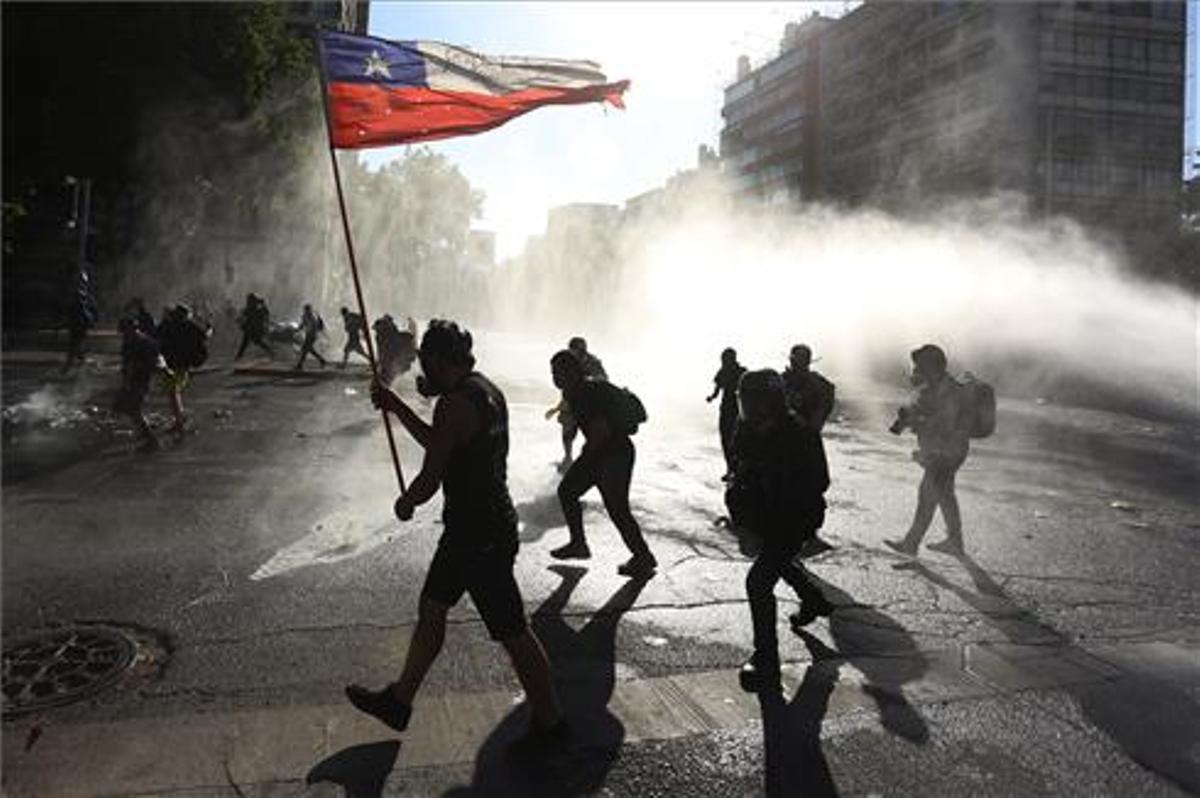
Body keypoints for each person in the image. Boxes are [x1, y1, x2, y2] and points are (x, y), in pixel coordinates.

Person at [346, 320, 566, 752]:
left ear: (441, 359)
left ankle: (553, 723)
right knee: (432, 608)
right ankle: (400, 700)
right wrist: (395, 405)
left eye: (427, 360)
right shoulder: (486, 390)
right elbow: (442, 442)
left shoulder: (452, 404)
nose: (423, 368)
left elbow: (432, 473)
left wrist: (406, 502)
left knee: (513, 631)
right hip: (476, 527)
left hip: (478, 534)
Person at [728, 369, 834, 694]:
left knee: (758, 581)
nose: (749, 408)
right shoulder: (746, 431)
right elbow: (740, 471)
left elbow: (819, 482)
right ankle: (813, 600)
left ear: (770, 401)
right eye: (745, 401)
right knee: (777, 561)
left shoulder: (799, 433)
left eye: (754, 401)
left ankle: (767, 661)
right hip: (766, 518)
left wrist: (782, 481)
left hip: (794, 518)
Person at [548, 350, 657, 577]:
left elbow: (600, 432)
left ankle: (643, 557)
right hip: (609, 453)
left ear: (571, 372)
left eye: (558, 372)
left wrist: (586, 456)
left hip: (613, 454)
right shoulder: (581, 390)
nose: (554, 377)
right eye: (553, 372)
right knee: (569, 492)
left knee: (616, 508)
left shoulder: (585, 393)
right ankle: (579, 544)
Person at [884, 344, 970, 557]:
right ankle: (955, 541)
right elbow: (923, 416)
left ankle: (911, 544)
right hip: (942, 450)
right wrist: (907, 419)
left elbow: (945, 424)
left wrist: (917, 421)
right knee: (945, 495)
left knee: (927, 495)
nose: (916, 371)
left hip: (947, 452)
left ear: (933, 366)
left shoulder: (949, 390)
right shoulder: (932, 388)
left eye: (920, 366)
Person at [545, 336, 609, 471]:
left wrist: (587, 380)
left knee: (592, 432)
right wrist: (557, 408)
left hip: (590, 404)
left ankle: (592, 461)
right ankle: (568, 457)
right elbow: (564, 388)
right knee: (567, 427)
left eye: (578, 350)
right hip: (572, 402)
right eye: (572, 350)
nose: (575, 354)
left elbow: (603, 379)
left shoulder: (593, 362)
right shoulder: (567, 362)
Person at [156, 304, 210, 434]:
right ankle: (180, 417)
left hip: (170, 364)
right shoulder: (190, 327)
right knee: (174, 392)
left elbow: (156, 334)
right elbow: (204, 336)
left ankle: (179, 421)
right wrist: (209, 327)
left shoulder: (168, 325)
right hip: (182, 364)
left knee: (173, 392)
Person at [114, 316, 163, 451]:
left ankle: (151, 440)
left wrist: (136, 369)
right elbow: (126, 362)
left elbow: (154, 361)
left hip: (140, 379)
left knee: (134, 409)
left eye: (126, 331)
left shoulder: (144, 342)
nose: (124, 334)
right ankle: (145, 434)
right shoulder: (131, 341)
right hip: (133, 379)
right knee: (125, 407)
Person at [706, 347, 746, 481]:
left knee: (736, 440)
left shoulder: (741, 373)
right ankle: (731, 468)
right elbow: (717, 390)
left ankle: (736, 469)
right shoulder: (725, 372)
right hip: (728, 409)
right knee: (726, 439)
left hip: (739, 411)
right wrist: (712, 397)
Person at [782, 344, 836, 432]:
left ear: (807, 362)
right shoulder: (781, 381)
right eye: (794, 361)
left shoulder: (821, 385)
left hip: (807, 438)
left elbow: (816, 423)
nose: (795, 364)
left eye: (800, 361)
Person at [62, 270, 98, 372]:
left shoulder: (83, 296)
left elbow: (91, 309)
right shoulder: (81, 295)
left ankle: (70, 366)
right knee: (75, 344)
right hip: (78, 323)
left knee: (75, 344)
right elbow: (71, 309)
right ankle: (76, 364)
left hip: (80, 324)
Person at [235, 293, 273, 360]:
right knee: (249, 342)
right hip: (250, 329)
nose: (247, 302)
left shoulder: (257, 309)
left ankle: (270, 351)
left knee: (254, 342)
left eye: (249, 300)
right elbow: (242, 316)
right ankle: (239, 356)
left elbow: (265, 315)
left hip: (254, 329)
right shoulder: (252, 308)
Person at [294, 303, 327, 371]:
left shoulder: (312, 317)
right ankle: (322, 360)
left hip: (312, 336)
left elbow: (314, 326)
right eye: (305, 310)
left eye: (307, 309)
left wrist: (301, 329)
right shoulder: (305, 316)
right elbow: (302, 324)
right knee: (309, 350)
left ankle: (300, 365)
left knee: (305, 350)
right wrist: (297, 330)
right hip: (309, 335)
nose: (306, 311)